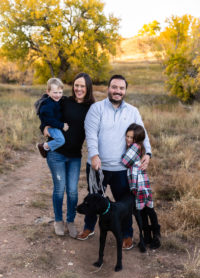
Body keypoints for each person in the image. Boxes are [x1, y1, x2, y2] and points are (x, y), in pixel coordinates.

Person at [77, 74, 152, 250]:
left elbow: (143, 134)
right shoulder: (96, 108)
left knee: (124, 202)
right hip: (98, 167)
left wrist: (147, 153)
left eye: (121, 88)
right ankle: (89, 227)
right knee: (93, 199)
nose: (117, 91)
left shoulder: (132, 111)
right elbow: (91, 134)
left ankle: (126, 234)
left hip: (122, 169)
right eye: (114, 87)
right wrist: (94, 155)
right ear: (108, 88)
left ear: (125, 90)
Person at [41, 73, 95, 237]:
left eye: (82, 86)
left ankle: (70, 221)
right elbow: (47, 115)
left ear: (87, 89)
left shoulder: (92, 108)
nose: (79, 89)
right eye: (76, 85)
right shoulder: (64, 101)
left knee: (72, 191)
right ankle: (58, 220)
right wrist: (44, 128)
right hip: (56, 154)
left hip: (74, 157)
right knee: (59, 189)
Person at [121, 123, 161, 249]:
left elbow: (124, 161)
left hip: (140, 185)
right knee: (143, 210)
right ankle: (147, 236)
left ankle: (156, 235)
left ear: (137, 139)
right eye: (127, 136)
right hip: (140, 184)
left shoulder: (135, 147)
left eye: (131, 137)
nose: (128, 139)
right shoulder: (138, 146)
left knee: (148, 210)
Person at [36, 78, 69, 158]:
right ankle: (44, 146)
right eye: (55, 92)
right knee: (60, 140)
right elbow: (50, 120)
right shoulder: (47, 105)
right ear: (48, 92)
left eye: (60, 92)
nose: (58, 95)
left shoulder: (57, 100)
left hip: (54, 125)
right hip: (50, 126)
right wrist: (62, 125)